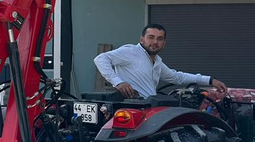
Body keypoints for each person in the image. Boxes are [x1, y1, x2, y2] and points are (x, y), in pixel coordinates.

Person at [94, 24, 228, 99]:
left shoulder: (157, 62)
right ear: (142, 39)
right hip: (132, 108)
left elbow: (177, 77)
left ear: (164, 43)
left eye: (159, 39)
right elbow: (101, 58)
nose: (155, 42)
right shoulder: (131, 51)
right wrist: (118, 82)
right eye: (151, 37)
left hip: (149, 109)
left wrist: (210, 80)